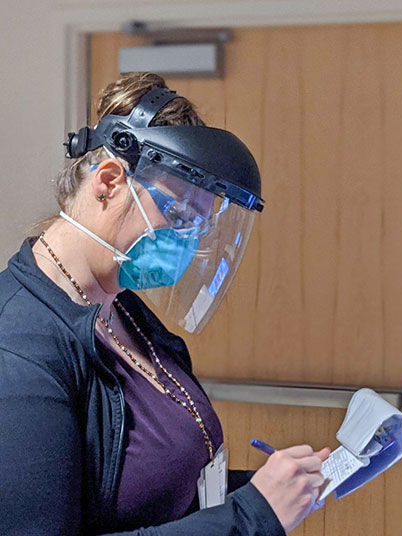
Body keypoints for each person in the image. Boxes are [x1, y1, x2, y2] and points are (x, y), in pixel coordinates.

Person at [0, 73, 330, 535]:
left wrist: (277, 489)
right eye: (177, 215)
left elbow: (158, 492)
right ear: (109, 182)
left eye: (197, 225)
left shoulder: (123, 310)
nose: (187, 241)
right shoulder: (17, 350)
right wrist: (251, 516)